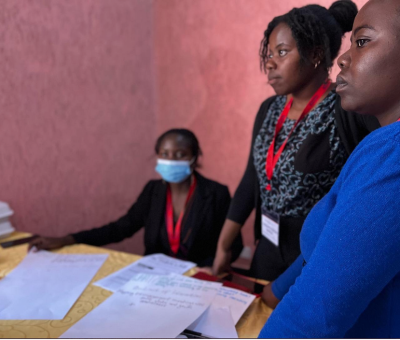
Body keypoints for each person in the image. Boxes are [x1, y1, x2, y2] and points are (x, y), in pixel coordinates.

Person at [259, 0, 400, 337]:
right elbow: (334, 241)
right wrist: (277, 290)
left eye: (363, 41)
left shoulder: (390, 156)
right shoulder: (379, 145)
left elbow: (314, 314)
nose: (344, 57)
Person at [213, 0, 379, 286]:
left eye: (282, 52)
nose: (269, 62)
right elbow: (252, 178)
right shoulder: (269, 109)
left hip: (316, 257)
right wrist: (225, 244)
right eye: (269, 53)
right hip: (266, 247)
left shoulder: (346, 108)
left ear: (314, 55)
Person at [29, 129, 243, 268]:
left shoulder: (216, 193)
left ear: (194, 157)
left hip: (198, 280)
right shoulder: (153, 191)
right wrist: (67, 239)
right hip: (155, 278)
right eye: (165, 154)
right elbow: (120, 228)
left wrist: (215, 266)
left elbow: (236, 246)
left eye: (180, 154)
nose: (171, 160)